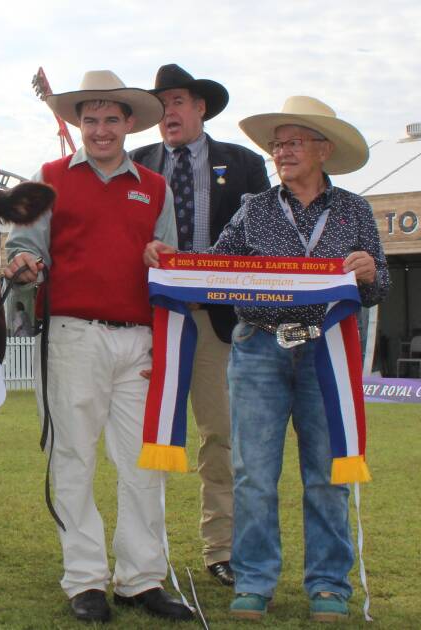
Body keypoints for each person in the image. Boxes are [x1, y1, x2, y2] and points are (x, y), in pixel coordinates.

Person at [147, 95, 389, 622]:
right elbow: (217, 264)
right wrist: (173, 262)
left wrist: (369, 270)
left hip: (324, 350)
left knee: (326, 473)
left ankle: (328, 584)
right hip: (257, 348)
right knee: (252, 471)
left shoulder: (355, 211)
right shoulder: (254, 208)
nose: (282, 152)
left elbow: (378, 286)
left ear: (322, 149)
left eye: (293, 142)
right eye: (277, 145)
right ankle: (254, 580)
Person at [6, 70, 192, 623]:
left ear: (129, 123)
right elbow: (22, 244)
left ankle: (141, 579)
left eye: (112, 119)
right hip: (72, 335)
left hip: (139, 341)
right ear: (77, 123)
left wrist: (163, 333)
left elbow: (172, 267)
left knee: (144, 465)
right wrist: (23, 263)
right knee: (72, 459)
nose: (101, 129)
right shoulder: (48, 177)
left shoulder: (155, 188)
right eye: (91, 119)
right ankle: (84, 579)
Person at [131, 64, 270, 587]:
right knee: (145, 437)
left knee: (222, 437)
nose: (169, 111)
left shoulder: (245, 164)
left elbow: (263, 239)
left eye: (179, 101)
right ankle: (144, 551)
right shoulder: (135, 166)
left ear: (200, 108)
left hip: (218, 323)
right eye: (162, 103)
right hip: (153, 322)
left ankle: (221, 549)